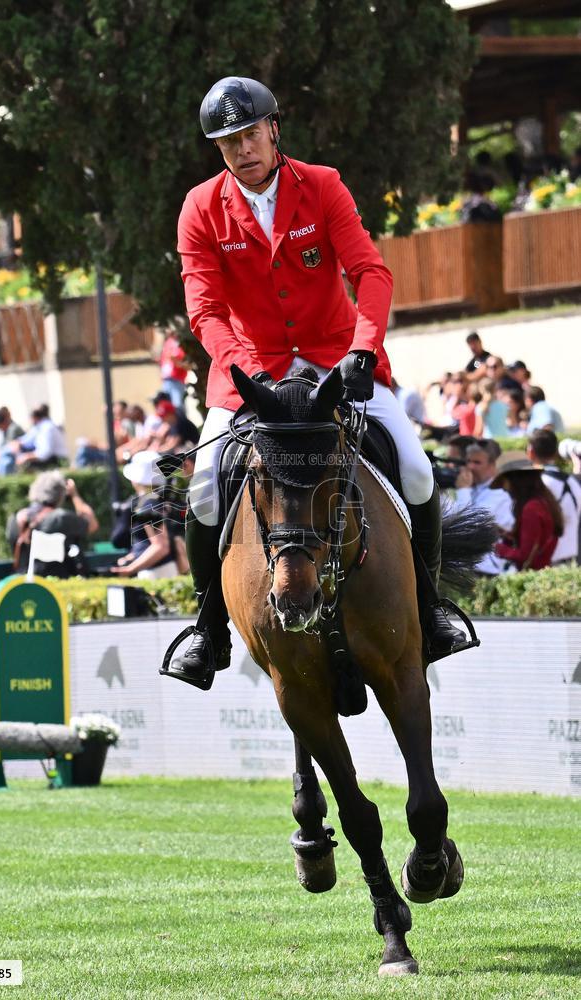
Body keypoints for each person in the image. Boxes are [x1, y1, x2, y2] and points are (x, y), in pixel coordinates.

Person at [168, 74, 468, 689]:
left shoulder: (323, 185)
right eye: (229, 142)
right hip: (252, 375)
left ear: (273, 129)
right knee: (202, 489)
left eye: (251, 134)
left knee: (414, 468)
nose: (243, 149)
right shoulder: (201, 207)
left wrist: (363, 350)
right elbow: (203, 306)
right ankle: (208, 629)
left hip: (338, 364)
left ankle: (432, 610)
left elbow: (370, 272)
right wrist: (240, 369)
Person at [7, 471, 98, 576]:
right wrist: (75, 495)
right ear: (61, 493)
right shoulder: (60, 518)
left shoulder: (14, 519)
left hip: (22, 579)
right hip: (55, 580)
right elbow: (92, 524)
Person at [110, 452, 179, 579]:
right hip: (159, 571)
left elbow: (161, 547)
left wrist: (129, 569)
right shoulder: (156, 500)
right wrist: (129, 558)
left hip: (156, 573)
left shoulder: (148, 504)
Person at [491, 454, 563, 571]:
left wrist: (496, 547)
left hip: (536, 577)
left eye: (504, 482)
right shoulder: (542, 501)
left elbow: (524, 556)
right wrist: (508, 535)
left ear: (515, 480)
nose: (504, 488)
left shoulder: (531, 508)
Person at [452, 441, 513, 576]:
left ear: (494, 465)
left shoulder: (501, 492)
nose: (470, 466)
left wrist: (462, 490)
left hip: (491, 572)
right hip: (472, 568)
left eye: (477, 462)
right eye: (468, 461)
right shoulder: (474, 487)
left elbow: (468, 524)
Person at [527, 429, 581, 566]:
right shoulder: (573, 482)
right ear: (556, 452)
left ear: (530, 452)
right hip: (574, 560)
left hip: (547, 562)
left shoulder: (536, 484)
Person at [0, 404, 68, 475]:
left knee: (15, 461)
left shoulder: (47, 428)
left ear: (34, 418)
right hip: (48, 459)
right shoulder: (38, 427)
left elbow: (44, 453)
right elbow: (26, 439)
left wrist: (26, 457)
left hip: (56, 460)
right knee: (7, 452)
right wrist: (17, 443)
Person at [158, 333, 189, 408]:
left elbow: (184, 364)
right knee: (167, 406)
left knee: (177, 406)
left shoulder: (180, 344)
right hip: (166, 379)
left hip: (176, 379)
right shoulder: (168, 342)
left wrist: (176, 361)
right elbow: (163, 360)